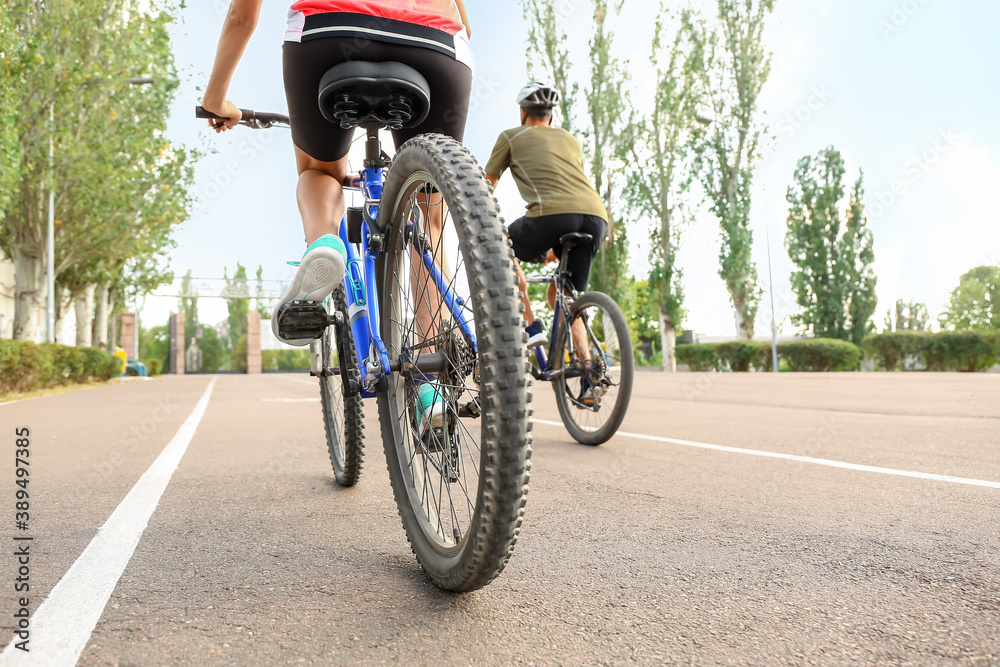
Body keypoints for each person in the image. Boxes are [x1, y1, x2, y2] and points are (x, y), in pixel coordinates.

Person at [203, 0, 473, 426]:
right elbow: (466, 26)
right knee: (429, 205)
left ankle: (325, 242)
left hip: (328, 34)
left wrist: (216, 100)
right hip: (436, 43)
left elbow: (242, 16)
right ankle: (429, 377)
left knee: (319, 171)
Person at [484, 83, 608, 384]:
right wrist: (554, 245)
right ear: (551, 117)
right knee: (564, 294)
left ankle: (531, 325)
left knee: (502, 243)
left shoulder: (510, 137)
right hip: (595, 218)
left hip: (550, 217)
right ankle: (589, 370)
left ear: (522, 112)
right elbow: (570, 188)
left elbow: (485, 187)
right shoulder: (570, 140)